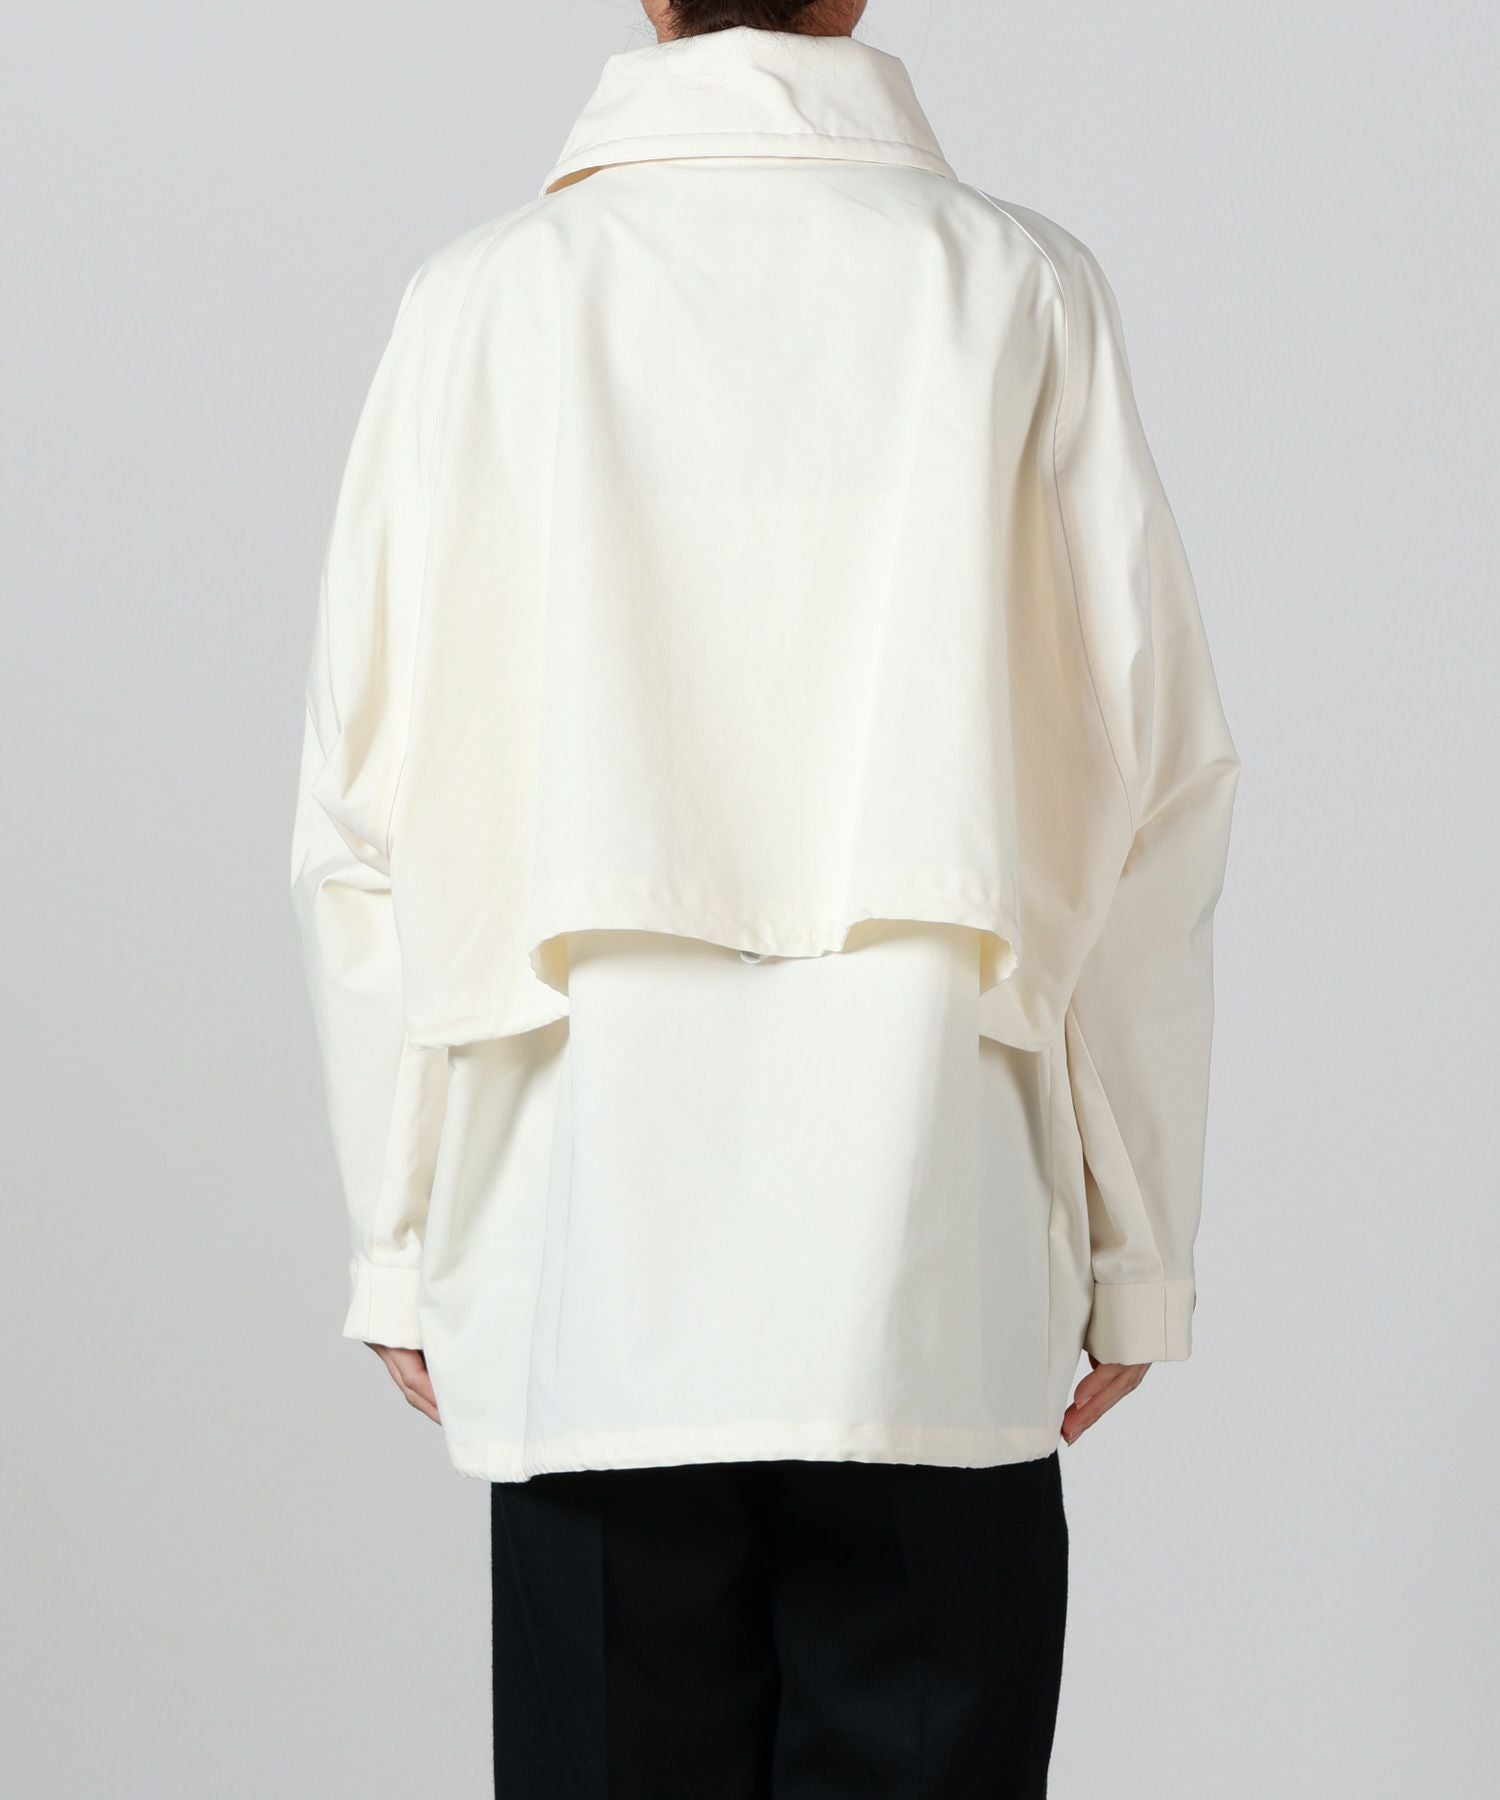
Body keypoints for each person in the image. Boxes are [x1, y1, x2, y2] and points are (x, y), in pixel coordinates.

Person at [290, 1, 1238, 1792]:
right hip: (933, 1252)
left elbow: (368, 806)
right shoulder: (1014, 292)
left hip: (582, 1267)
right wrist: (1137, 1246)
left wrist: (400, 1229)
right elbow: (1148, 795)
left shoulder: (482, 304)